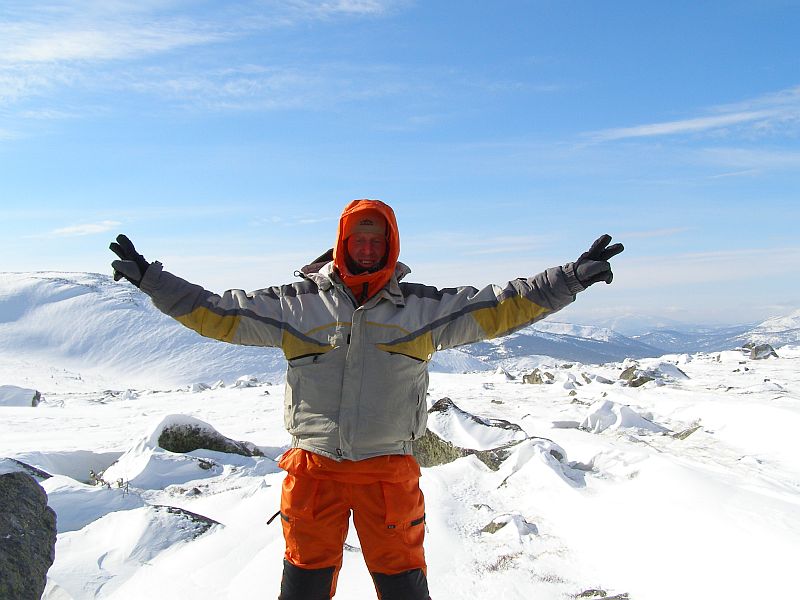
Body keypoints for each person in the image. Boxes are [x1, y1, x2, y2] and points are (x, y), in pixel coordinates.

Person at [109, 199, 623, 600]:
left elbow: (500, 305)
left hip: (387, 473)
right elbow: (218, 313)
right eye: (360, 238)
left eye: (379, 240)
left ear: (392, 244)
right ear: (342, 242)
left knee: (403, 589)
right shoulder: (296, 306)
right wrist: (152, 280)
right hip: (314, 471)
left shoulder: (422, 310)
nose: (369, 248)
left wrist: (569, 279)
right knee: (303, 587)